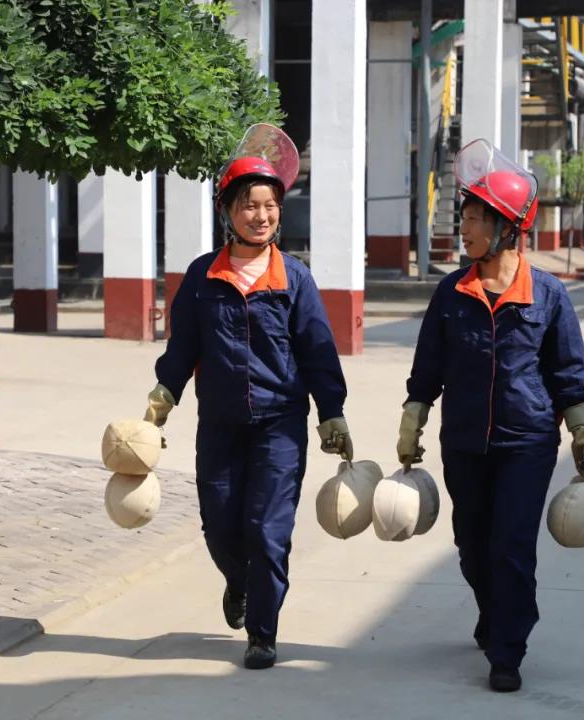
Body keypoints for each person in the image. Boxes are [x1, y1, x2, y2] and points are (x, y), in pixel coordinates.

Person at [396, 139, 584, 693]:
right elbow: (427, 370)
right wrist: (413, 421)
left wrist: (582, 432)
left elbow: (567, 373)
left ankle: (508, 649)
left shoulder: (549, 296)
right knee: (471, 543)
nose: (463, 231)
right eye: (462, 219)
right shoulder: (450, 294)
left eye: (473, 221)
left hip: (527, 443)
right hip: (463, 442)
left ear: (508, 228)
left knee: (512, 545)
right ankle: (492, 611)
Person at [143, 125, 352, 670]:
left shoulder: (294, 279)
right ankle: (238, 582)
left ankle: (263, 632)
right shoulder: (201, 276)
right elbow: (184, 343)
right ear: (228, 212)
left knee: (268, 529)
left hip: (280, 424)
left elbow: (318, 351)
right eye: (248, 206)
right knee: (220, 524)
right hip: (220, 423)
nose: (260, 216)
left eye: (268, 206)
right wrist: (165, 393)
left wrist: (332, 413)